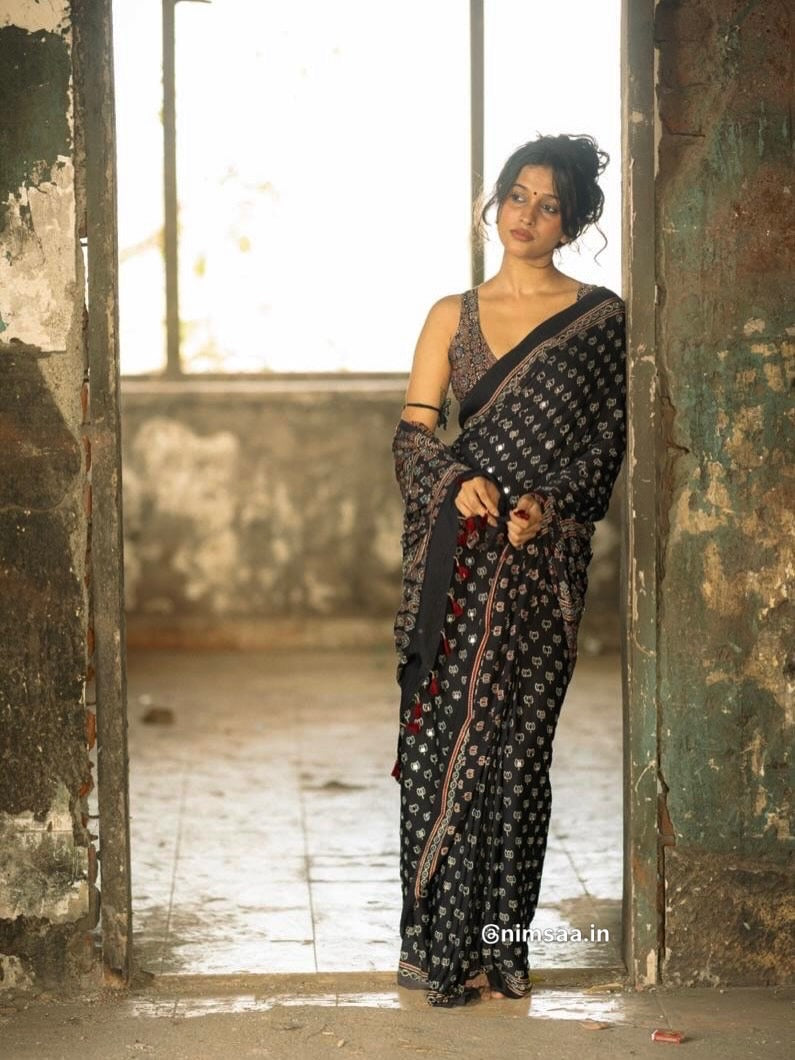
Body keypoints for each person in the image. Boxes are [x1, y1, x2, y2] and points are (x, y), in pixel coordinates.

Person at [390, 133, 627, 1007]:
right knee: (437, 749)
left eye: (548, 204)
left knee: (519, 756)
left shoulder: (600, 322)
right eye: (516, 196)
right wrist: (456, 481)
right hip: (453, 568)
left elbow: (606, 444)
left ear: (572, 222)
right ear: (494, 203)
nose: (526, 215)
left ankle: (499, 949)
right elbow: (412, 436)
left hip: (541, 568)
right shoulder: (449, 316)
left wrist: (547, 507)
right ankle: (435, 950)